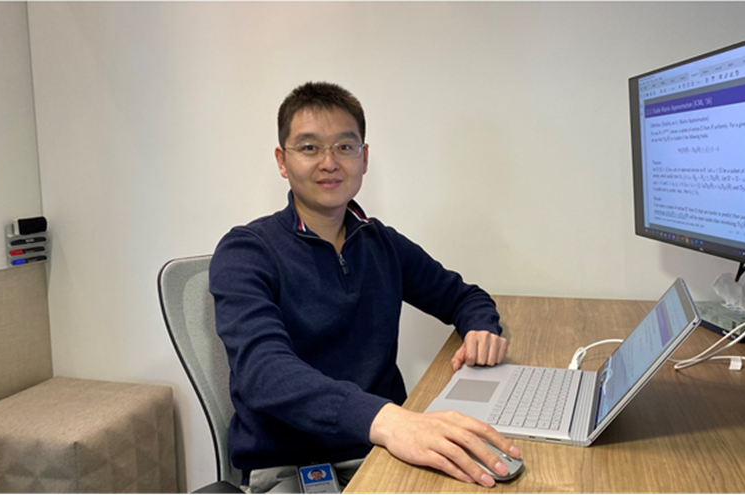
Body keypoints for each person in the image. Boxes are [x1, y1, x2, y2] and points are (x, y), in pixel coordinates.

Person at [210, 82, 521, 492]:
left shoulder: (380, 242)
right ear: (282, 161)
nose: (329, 162)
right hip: (295, 465)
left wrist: (482, 326)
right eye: (308, 148)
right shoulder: (246, 251)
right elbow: (264, 372)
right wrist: (387, 419)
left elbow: (464, 296)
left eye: (344, 147)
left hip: (384, 447)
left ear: (364, 157)